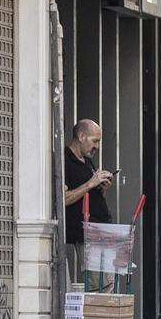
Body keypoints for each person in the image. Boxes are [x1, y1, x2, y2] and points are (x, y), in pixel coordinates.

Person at [63, 119, 113, 280]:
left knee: (109, 282)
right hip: (86, 233)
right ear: (81, 136)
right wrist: (91, 183)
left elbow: (90, 194)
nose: (97, 146)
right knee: (101, 284)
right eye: (95, 141)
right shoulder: (66, 160)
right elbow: (63, 198)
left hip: (101, 230)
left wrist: (101, 188)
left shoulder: (87, 161)